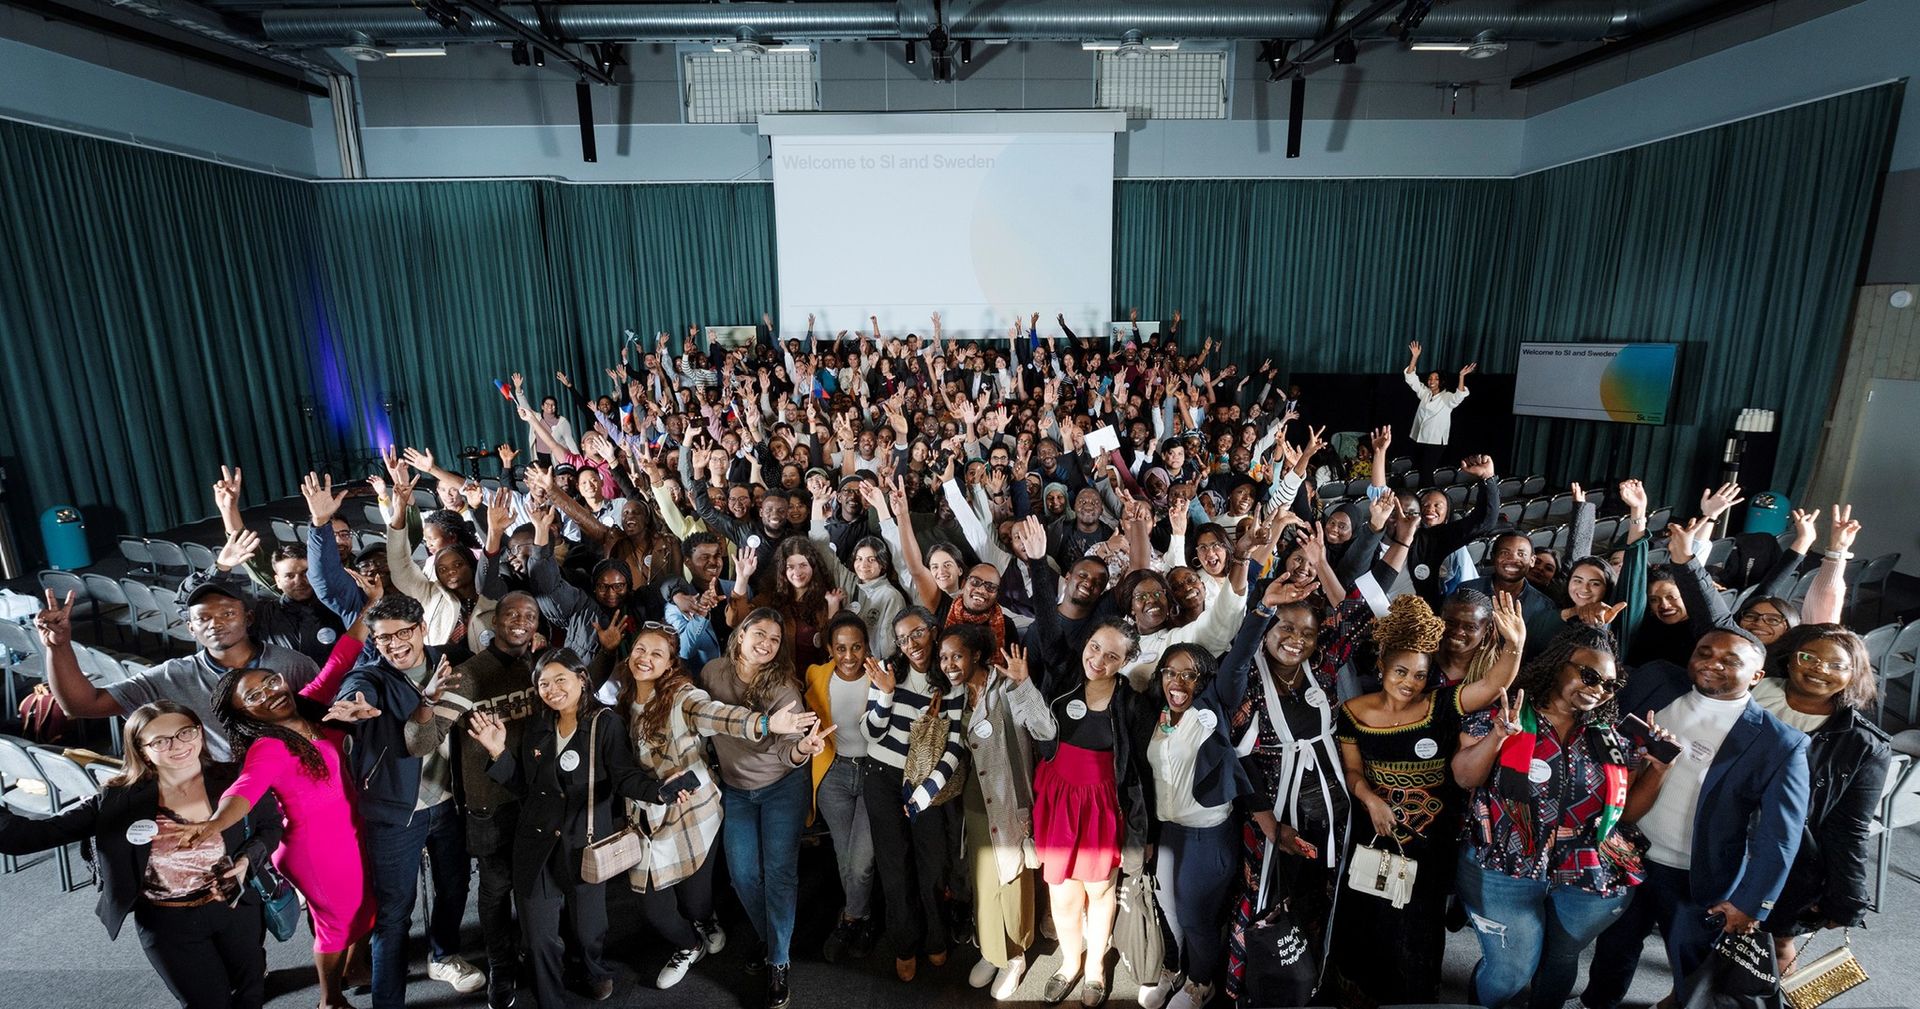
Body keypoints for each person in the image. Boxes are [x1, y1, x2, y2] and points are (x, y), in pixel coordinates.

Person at [1580, 627, 1811, 1009]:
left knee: (1693, 969)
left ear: (1757, 675)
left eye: (1731, 660)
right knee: (1613, 945)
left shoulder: (1779, 743)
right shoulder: (1657, 683)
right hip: (1625, 856)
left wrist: (1750, 903)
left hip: (1697, 877)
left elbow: (1780, 836)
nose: (1712, 663)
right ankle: (1596, 1002)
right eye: (1704, 652)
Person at [1451, 626, 1678, 1009]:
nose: (1598, 689)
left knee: (1560, 960)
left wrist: (1657, 770)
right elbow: (1464, 776)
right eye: (1588, 676)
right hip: (1504, 867)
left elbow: (1625, 814)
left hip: (1583, 870)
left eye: (1609, 684)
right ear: (1558, 667)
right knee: (1511, 968)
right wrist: (1497, 737)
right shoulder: (1504, 715)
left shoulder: (1612, 739)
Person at [0, 702, 283, 1009]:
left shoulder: (236, 778)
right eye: (161, 741)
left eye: (185, 732)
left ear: (199, 733)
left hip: (236, 909)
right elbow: (24, 837)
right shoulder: (117, 800)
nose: (178, 745)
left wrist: (244, 862)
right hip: (167, 922)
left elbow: (269, 827)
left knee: (251, 991)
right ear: (142, 749)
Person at [466, 648, 689, 1008]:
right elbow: (525, 786)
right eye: (543, 683)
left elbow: (625, 777)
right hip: (535, 847)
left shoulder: (605, 723)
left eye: (560, 680)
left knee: (588, 934)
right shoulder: (538, 724)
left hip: (583, 846)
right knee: (539, 942)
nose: (551, 689)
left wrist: (660, 792)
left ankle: (592, 969)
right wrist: (498, 753)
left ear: (582, 679)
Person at [1334, 592, 1524, 1006]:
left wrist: (1515, 645)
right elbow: (1352, 772)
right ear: (1382, 667)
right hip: (1377, 834)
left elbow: (1494, 685)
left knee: (1419, 925)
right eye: (1401, 671)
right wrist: (1370, 799)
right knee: (1370, 914)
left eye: (1419, 675)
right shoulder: (1351, 712)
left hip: (1430, 841)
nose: (1410, 682)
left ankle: (1414, 997)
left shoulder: (1441, 705)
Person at [609, 623, 815, 988]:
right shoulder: (624, 698)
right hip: (648, 812)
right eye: (641, 650)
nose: (646, 659)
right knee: (658, 903)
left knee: (701, 901)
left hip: (694, 813)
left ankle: (755, 944)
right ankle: (691, 944)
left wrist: (767, 722)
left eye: (658, 654)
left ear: (671, 663)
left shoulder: (683, 696)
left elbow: (718, 715)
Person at [187, 627, 378, 1009]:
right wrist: (213, 825)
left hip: (352, 831)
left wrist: (367, 609)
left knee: (366, 908)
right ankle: (330, 999)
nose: (271, 693)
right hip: (314, 849)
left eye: (271, 683)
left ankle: (355, 969)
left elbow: (339, 663)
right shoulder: (268, 746)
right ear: (243, 713)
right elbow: (242, 791)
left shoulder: (308, 709)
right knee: (335, 924)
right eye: (255, 696)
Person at [701, 609, 831, 1009]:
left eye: (775, 640)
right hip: (736, 789)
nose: (767, 643)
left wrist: (802, 749)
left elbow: (785, 749)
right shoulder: (711, 674)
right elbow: (702, 719)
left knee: (779, 874)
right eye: (760, 633)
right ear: (740, 635)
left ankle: (778, 960)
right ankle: (772, 935)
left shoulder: (784, 689)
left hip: (781, 787)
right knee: (742, 875)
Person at [37, 582, 320, 761]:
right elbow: (82, 704)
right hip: (226, 787)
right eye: (203, 618)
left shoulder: (292, 664)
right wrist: (59, 647)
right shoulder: (172, 676)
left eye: (227, 614)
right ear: (191, 629)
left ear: (248, 618)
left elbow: (324, 722)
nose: (215, 624)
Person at [1028, 613, 1150, 1007]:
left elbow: (1141, 772)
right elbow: (1048, 632)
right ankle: (1069, 961)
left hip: (1100, 804)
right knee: (1061, 896)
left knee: (1100, 892)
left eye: (1112, 656)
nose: (1098, 660)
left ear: (1125, 662)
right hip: (1057, 797)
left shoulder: (1131, 702)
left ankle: (1095, 967)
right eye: (1094, 647)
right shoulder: (1062, 681)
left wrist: (1144, 834)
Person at [1752, 624, 1890, 970]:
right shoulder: (1748, 692)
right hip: (1723, 838)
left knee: (1774, 944)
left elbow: (1850, 827)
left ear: (1853, 674)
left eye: (1836, 665)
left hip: (1791, 859)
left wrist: (1847, 895)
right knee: (1708, 932)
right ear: (1790, 658)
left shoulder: (1864, 744)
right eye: (1809, 657)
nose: (1819, 669)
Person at [861, 607, 969, 982]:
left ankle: (936, 937)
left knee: (932, 864)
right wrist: (886, 695)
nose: (911, 645)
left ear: (934, 632)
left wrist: (925, 793)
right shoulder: (887, 673)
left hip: (928, 784)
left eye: (918, 634)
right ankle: (904, 944)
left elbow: (955, 747)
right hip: (882, 776)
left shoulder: (952, 680)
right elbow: (871, 734)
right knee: (894, 867)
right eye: (903, 638)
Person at [801, 613, 882, 963]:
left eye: (856, 647)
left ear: (867, 646)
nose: (848, 656)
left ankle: (851, 917)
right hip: (834, 773)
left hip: (872, 773)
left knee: (861, 861)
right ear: (830, 649)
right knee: (843, 854)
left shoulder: (880, 678)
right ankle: (861, 917)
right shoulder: (816, 676)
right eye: (840, 648)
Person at [1401, 340, 1475, 478]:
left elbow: (1459, 396)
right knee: (1416, 472)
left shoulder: (1446, 397)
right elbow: (1411, 378)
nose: (1431, 380)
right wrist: (1415, 357)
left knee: (1426, 473)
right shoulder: (1425, 393)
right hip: (1418, 438)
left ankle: (1429, 497)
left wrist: (1461, 376)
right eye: (1430, 378)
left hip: (1434, 441)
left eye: (1435, 378)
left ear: (1441, 381)